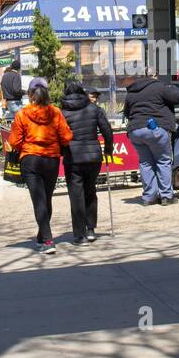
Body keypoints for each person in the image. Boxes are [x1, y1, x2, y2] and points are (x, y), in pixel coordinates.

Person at [7, 78, 72, 254]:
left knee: (38, 200)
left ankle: (48, 240)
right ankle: (42, 235)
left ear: (29, 95)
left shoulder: (22, 114)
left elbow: (14, 141)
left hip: (30, 159)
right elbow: (66, 136)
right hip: (51, 160)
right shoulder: (56, 112)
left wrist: (24, 147)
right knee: (46, 198)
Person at [61, 80, 114, 244]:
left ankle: (79, 234)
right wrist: (108, 149)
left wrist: (61, 152)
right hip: (93, 156)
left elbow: (59, 134)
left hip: (73, 156)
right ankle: (90, 229)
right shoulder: (94, 109)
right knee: (90, 191)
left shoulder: (62, 112)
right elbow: (106, 129)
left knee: (76, 195)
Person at [123, 73, 179, 205]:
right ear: (155, 75)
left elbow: (127, 113)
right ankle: (166, 196)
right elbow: (178, 98)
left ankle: (149, 197)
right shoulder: (159, 87)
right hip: (155, 128)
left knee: (145, 163)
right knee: (163, 161)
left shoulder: (132, 91)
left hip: (135, 130)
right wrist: (172, 87)